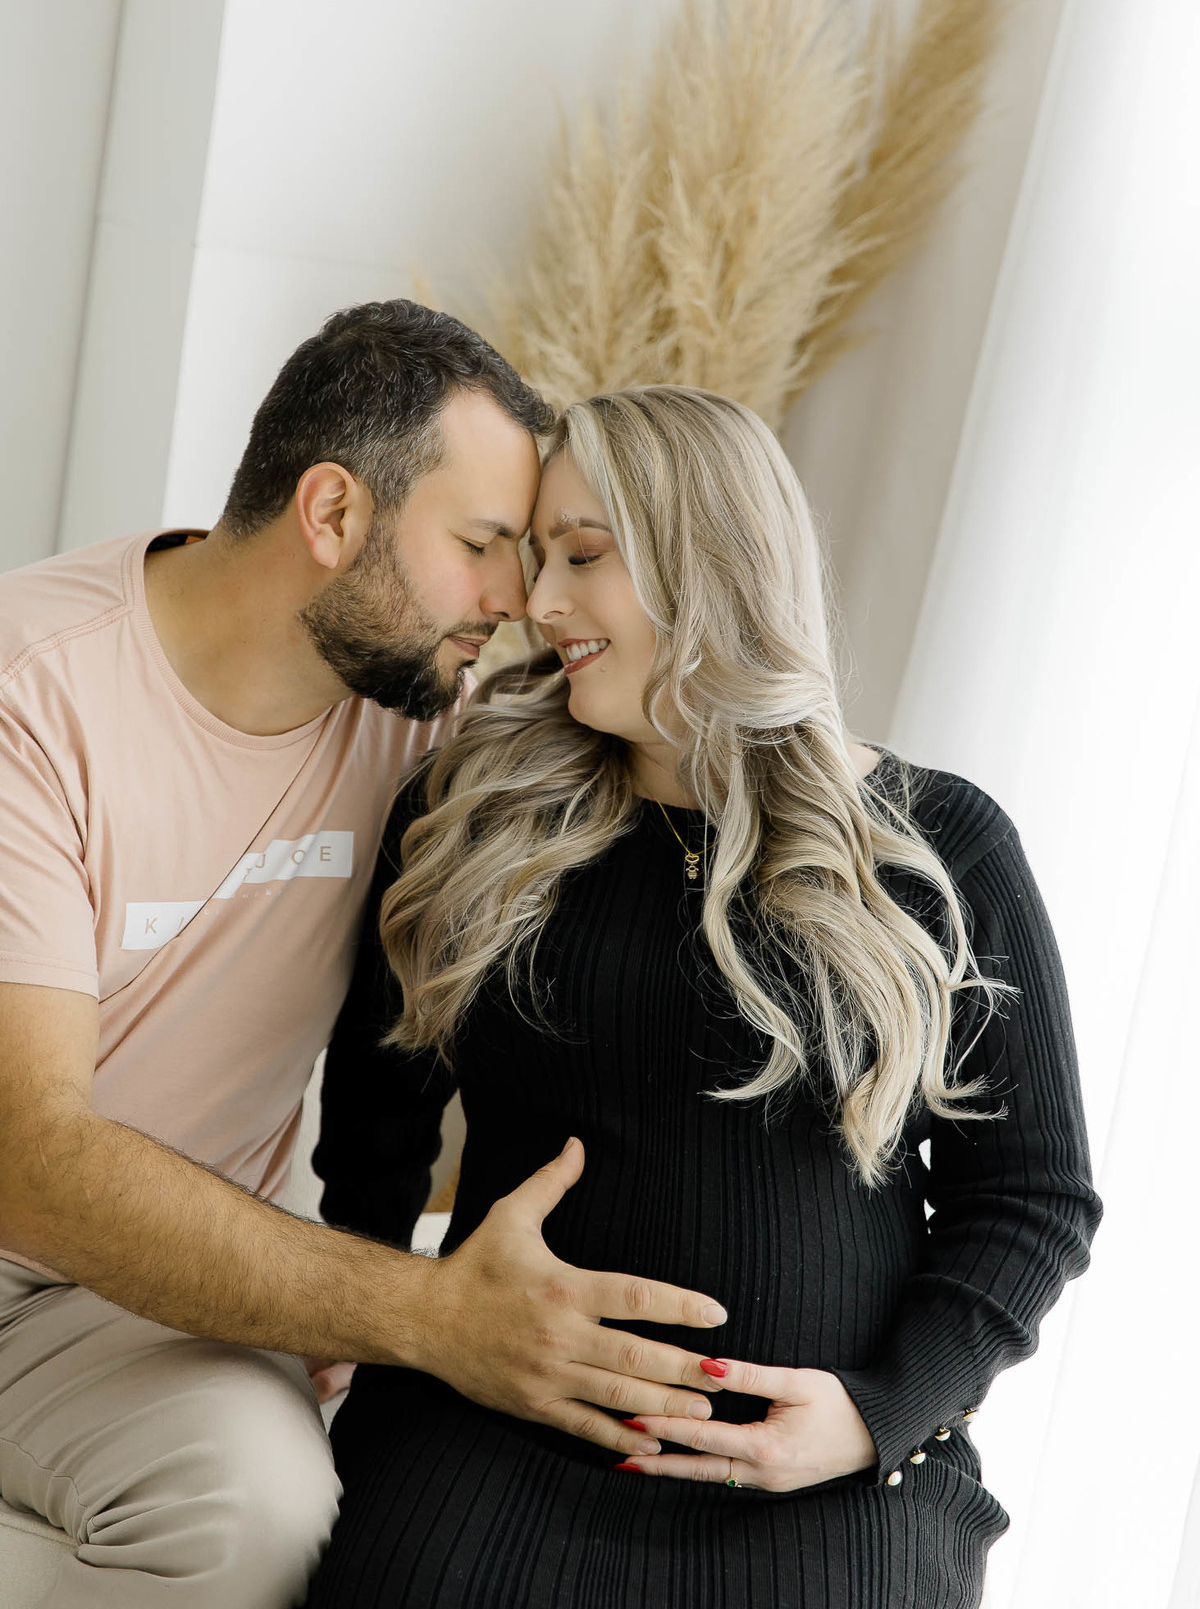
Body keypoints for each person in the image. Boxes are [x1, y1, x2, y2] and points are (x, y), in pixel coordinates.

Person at [307, 385, 1103, 1609]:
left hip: (822, 1482)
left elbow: (1034, 1197)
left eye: (583, 555)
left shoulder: (939, 846)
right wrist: (373, 1329)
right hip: (494, 1427)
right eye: (536, 557)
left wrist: (877, 1416)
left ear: (711, 563)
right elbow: (376, 1128)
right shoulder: (471, 814)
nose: (539, 602)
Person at [0, 310, 732, 1609]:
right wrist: (422, 1312)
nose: (516, 601)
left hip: (133, 1309)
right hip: (36, 1209)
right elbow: (31, 1160)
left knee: (260, 1517)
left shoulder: (421, 723)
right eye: (481, 546)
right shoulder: (32, 694)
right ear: (333, 513)